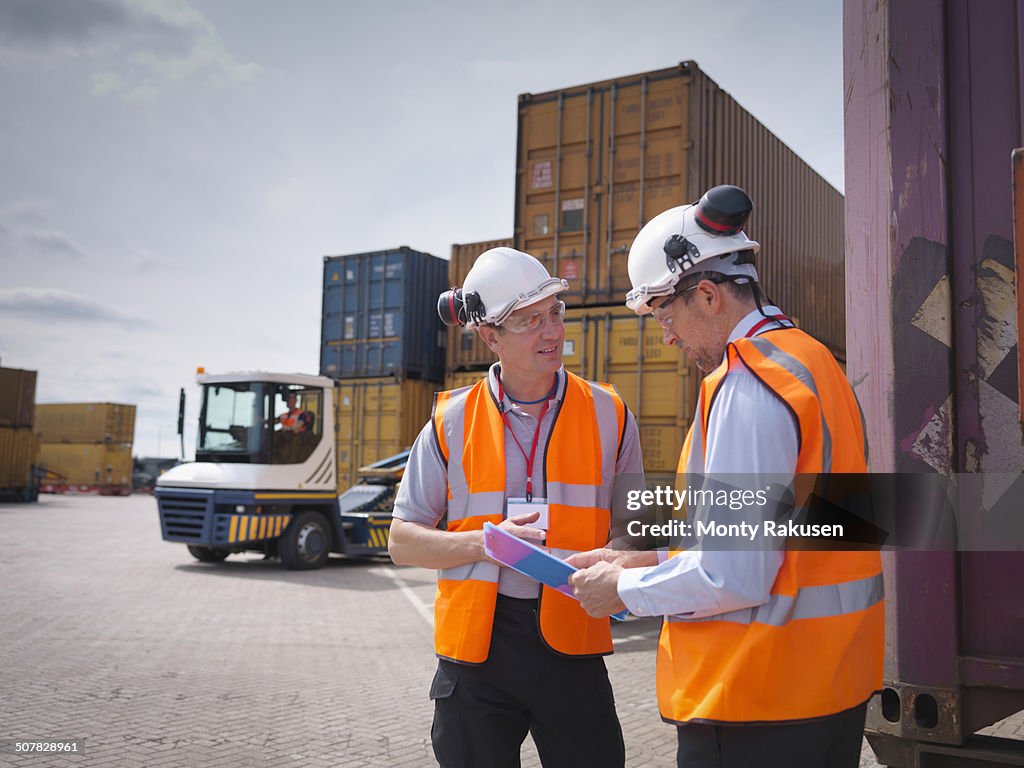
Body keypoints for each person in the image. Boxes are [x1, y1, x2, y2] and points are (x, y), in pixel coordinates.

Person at [569, 186, 883, 768]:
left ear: (707, 295)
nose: (665, 334)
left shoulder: (748, 385)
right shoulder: (811, 361)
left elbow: (734, 574)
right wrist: (650, 560)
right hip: (823, 687)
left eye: (664, 311)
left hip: (755, 700)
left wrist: (622, 591)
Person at [388, 246, 645, 768]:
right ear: (490, 336)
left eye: (555, 313)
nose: (552, 332)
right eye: (529, 321)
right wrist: (483, 542)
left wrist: (613, 562)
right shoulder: (449, 422)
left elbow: (636, 530)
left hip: (572, 639)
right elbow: (401, 540)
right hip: (478, 654)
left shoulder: (610, 414)